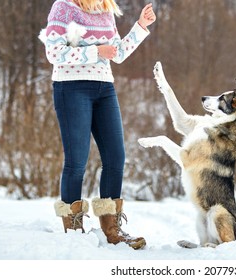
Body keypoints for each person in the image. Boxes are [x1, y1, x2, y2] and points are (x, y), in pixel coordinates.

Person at [42, 0, 156, 250]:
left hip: (104, 87)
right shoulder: (63, 7)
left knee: (116, 158)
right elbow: (54, 53)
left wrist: (140, 26)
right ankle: (73, 229)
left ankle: (112, 229)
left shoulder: (105, 10)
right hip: (71, 87)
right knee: (77, 161)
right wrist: (95, 52)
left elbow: (118, 53)